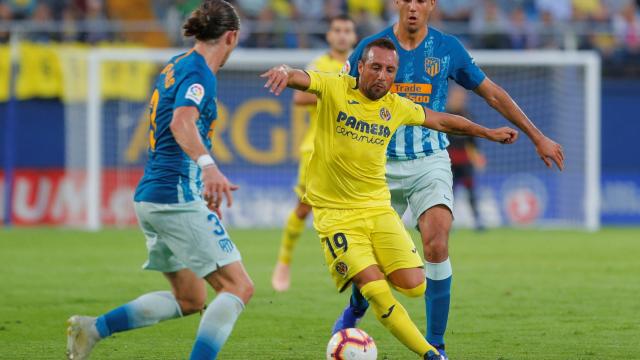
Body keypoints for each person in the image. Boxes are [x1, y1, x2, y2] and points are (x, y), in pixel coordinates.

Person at [332, 1, 565, 359]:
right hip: (378, 164)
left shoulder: (447, 49)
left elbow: (492, 93)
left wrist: (537, 136)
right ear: (396, 3)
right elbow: (340, 100)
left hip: (430, 160)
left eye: (421, 0)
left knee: (437, 243)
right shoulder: (371, 48)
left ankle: (436, 347)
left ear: (431, 5)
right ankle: (356, 309)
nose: (413, 7)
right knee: (375, 258)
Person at [261, 38, 517, 359]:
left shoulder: (394, 106)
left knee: (415, 286)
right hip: (337, 216)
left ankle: (357, 297)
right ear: (361, 67)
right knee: (379, 292)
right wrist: (285, 72)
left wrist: (487, 132)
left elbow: (442, 120)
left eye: (390, 70)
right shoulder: (336, 87)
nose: (382, 75)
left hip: (378, 210)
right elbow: (303, 78)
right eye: (377, 67)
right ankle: (431, 353)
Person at [66, 2, 254, 360]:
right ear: (231, 37)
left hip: (153, 197)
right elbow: (180, 123)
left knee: (190, 299)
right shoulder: (199, 74)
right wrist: (209, 167)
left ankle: (91, 329)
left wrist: (200, 180)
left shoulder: (176, 65)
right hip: (173, 198)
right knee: (238, 287)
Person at [271, 14, 358, 292]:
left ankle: (352, 268)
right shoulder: (319, 65)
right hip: (316, 150)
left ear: (354, 37)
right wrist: (336, 92)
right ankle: (283, 261)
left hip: (353, 151)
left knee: (354, 211)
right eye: (337, 30)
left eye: (347, 30)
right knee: (304, 208)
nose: (342, 35)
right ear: (330, 36)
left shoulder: (361, 64)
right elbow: (298, 96)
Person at [446, 86, 486, 230]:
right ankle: (447, 221)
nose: (459, 99)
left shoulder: (469, 116)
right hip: (448, 160)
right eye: (456, 96)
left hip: (465, 160)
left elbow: (473, 142)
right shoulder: (444, 115)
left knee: (471, 191)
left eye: (461, 97)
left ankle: (478, 220)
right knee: (448, 192)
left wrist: (478, 157)